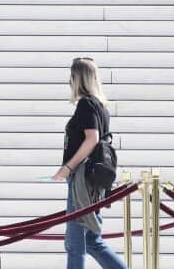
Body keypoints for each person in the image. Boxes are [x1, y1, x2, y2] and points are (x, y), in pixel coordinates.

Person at [51, 58, 127, 269]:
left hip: (82, 181)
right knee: (92, 241)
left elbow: (92, 139)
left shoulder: (86, 104)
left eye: (71, 76)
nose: (69, 81)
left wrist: (67, 168)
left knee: (75, 244)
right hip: (93, 180)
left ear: (78, 78)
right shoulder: (101, 106)